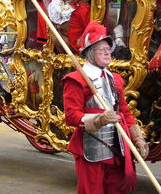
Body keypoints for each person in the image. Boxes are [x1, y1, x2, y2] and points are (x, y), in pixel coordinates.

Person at [62, 21, 148, 194]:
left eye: (109, 49)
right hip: (91, 146)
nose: (107, 53)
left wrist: (138, 138)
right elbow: (72, 116)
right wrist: (99, 119)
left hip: (118, 144)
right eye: (101, 49)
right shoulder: (76, 79)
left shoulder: (115, 79)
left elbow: (124, 111)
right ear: (89, 53)